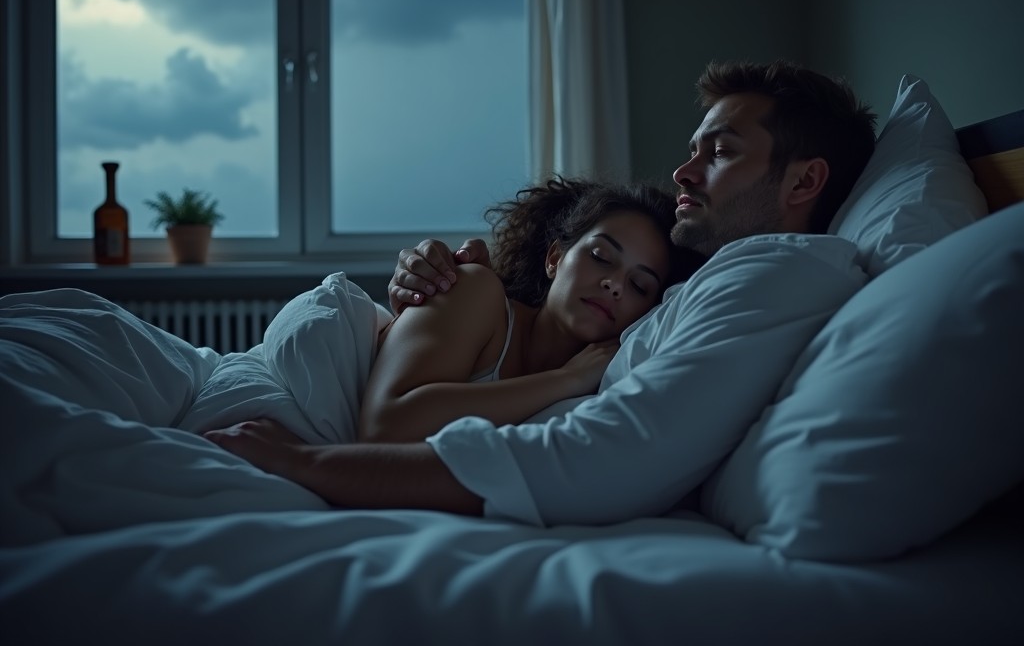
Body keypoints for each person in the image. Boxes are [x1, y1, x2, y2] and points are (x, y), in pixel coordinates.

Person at [205, 59, 877, 525]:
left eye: (721, 152)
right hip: (270, 396)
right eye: (601, 257)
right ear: (555, 258)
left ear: (803, 182)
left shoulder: (757, 284)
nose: (685, 170)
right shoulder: (491, 295)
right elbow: (390, 421)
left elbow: (608, 447)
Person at [356, 175, 699, 443]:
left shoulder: (615, 384)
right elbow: (385, 428)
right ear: (554, 259)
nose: (614, 284)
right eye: (600, 257)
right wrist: (567, 379)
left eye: (640, 286)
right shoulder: (477, 290)